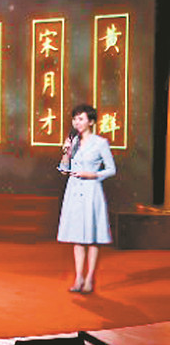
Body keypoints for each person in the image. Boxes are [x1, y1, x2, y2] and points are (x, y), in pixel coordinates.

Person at [57, 104, 116, 294]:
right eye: (75, 119)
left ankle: (90, 278)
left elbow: (111, 169)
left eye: (81, 119)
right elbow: (64, 170)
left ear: (91, 122)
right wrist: (66, 152)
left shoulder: (100, 143)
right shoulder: (73, 142)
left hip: (91, 190)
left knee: (92, 238)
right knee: (77, 238)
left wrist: (93, 174)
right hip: (74, 190)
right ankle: (78, 277)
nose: (77, 122)